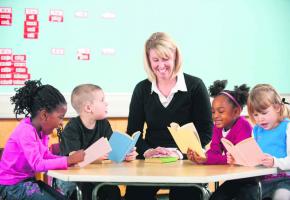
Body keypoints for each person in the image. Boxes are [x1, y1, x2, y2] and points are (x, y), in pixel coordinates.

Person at [124, 32, 213, 200]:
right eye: (155, 60)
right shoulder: (142, 89)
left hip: (186, 159)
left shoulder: (195, 86)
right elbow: (133, 132)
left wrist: (179, 153)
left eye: (166, 59)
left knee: (186, 195)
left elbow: (206, 131)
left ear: (175, 58)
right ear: (148, 61)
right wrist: (148, 151)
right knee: (136, 195)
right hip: (150, 159)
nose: (161, 65)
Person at [0, 80, 85, 200]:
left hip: (27, 182)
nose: (61, 123)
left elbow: (45, 156)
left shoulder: (42, 132)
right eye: (60, 117)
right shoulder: (26, 131)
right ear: (44, 115)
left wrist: (68, 161)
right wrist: (68, 159)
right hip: (11, 187)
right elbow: (38, 165)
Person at [57, 84, 138, 200]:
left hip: (96, 175)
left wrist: (125, 154)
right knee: (87, 192)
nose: (106, 103)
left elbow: (112, 150)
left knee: (112, 190)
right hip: (74, 180)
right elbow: (73, 158)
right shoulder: (72, 128)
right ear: (88, 108)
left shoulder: (103, 124)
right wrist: (94, 156)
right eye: (102, 100)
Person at [211, 84, 290, 200]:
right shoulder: (256, 131)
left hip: (284, 180)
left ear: (277, 107)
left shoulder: (287, 128)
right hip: (260, 181)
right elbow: (252, 161)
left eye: (264, 113)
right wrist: (237, 160)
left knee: (281, 196)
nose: (260, 119)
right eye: (256, 115)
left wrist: (274, 161)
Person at [187, 80, 252, 165]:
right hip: (233, 172)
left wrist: (207, 159)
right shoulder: (218, 127)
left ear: (236, 112)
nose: (215, 116)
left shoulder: (243, 126)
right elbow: (215, 151)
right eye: (213, 112)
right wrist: (200, 156)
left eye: (221, 111)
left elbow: (236, 158)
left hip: (248, 173)